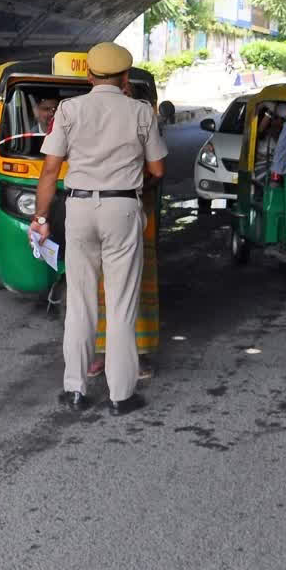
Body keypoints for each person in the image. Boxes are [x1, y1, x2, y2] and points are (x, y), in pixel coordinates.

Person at [29, 42, 168, 416]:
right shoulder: (141, 111)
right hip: (122, 207)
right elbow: (157, 170)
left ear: (88, 76)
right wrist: (135, 190)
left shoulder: (70, 110)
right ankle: (121, 396)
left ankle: (75, 389)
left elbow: (49, 170)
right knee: (121, 304)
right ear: (125, 78)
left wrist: (41, 218)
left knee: (80, 301)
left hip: (78, 207)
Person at [88, 76, 164, 381]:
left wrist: (130, 185)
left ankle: (137, 356)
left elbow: (156, 171)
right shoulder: (87, 116)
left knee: (134, 289)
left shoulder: (142, 117)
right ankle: (101, 355)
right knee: (100, 288)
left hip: (135, 212)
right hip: (110, 211)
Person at [257, 103, 286, 180]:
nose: (278, 121)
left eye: (281, 119)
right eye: (275, 118)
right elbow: (260, 130)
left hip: (274, 173)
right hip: (263, 171)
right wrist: (269, 113)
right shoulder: (264, 135)